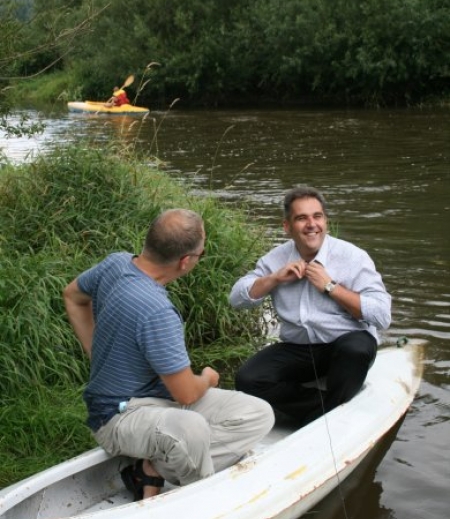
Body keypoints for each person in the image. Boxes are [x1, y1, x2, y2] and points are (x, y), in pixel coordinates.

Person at [63, 209, 274, 500]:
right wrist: (208, 378)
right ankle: (198, 496)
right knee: (192, 427)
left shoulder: (116, 263)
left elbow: (72, 296)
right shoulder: (157, 312)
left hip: (157, 399)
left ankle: (153, 471)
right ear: (185, 261)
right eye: (202, 252)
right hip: (117, 417)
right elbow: (187, 394)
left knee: (258, 413)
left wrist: (95, 350)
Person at [229, 186, 391, 428]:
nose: (311, 224)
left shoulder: (353, 257)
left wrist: (330, 286)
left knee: (355, 349)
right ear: (287, 227)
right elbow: (236, 299)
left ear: (325, 221)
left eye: (317, 216)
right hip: (299, 348)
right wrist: (273, 279)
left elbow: (382, 315)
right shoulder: (275, 259)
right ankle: (326, 410)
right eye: (301, 218)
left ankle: (317, 413)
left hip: (344, 343)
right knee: (248, 379)